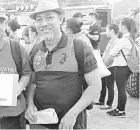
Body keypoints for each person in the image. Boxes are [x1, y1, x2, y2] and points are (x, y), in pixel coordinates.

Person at [25, 0, 101, 129]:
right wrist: (30, 103)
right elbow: (32, 82)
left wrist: (73, 113)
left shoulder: (79, 47)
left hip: (69, 123)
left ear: (60, 19)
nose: (43, 24)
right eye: (39, 19)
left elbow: (95, 85)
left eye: (49, 17)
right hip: (39, 122)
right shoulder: (35, 50)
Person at [102, 17, 138, 117]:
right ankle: (118, 108)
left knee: (121, 89)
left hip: (121, 67)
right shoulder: (131, 37)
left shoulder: (123, 40)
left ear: (124, 26)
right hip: (126, 67)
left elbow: (111, 54)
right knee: (121, 89)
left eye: (120, 25)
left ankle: (121, 111)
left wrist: (103, 66)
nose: (119, 27)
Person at [98, 24, 121, 110]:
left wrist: (104, 64)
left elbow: (111, 56)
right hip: (106, 66)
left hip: (110, 66)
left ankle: (109, 104)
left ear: (112, 31)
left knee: (110, 86)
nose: (106, 32)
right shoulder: (111, 41)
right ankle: (102, 100)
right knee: (105, 84)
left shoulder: (116, 42)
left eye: (107, 30)